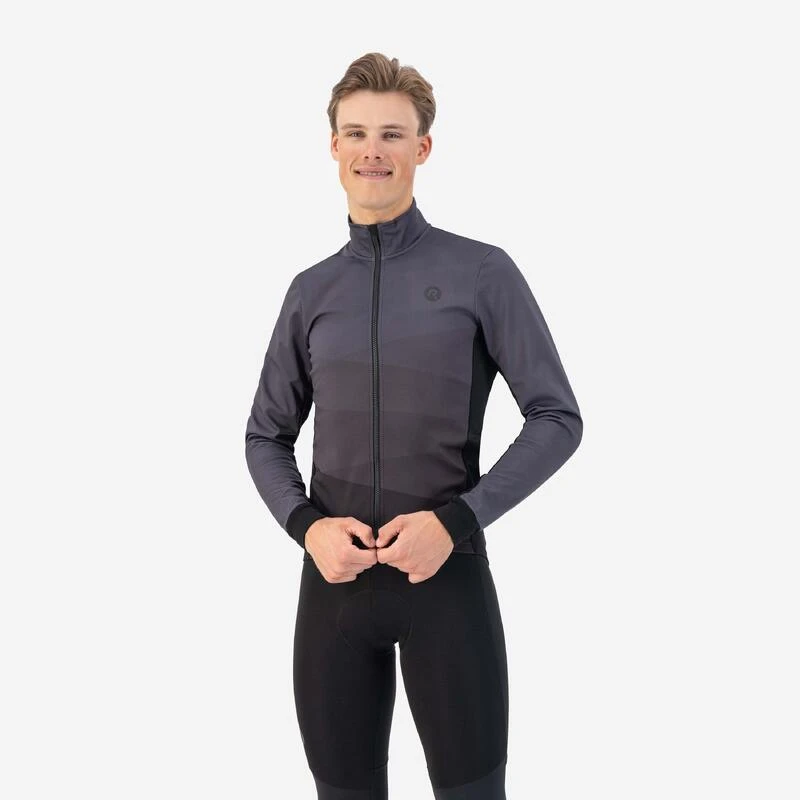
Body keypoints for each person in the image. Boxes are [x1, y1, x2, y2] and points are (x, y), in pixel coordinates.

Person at [245, 52, 582, 800]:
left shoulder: (481, 273)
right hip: (333, 592)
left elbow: (557, 418)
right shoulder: (310, 291)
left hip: (447, 583)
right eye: (357, 133)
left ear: (422, 148)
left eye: (392, 134)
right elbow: (265, 435)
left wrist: (455, 521)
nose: (373, 151)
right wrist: (307, 529)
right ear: (334, 145)